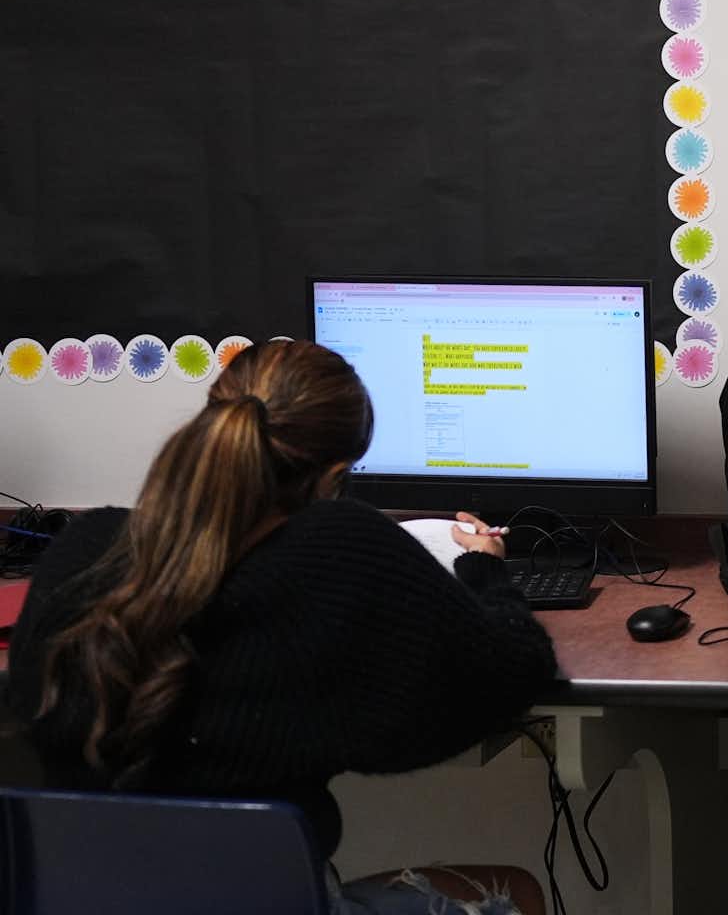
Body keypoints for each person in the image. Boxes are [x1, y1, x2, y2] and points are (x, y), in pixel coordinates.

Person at [2, 341, 561, 914]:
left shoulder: (81, 550)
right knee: (514, 892)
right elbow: (513, 670)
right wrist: (485, 569)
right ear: (335, 475)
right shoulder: (336, 554)